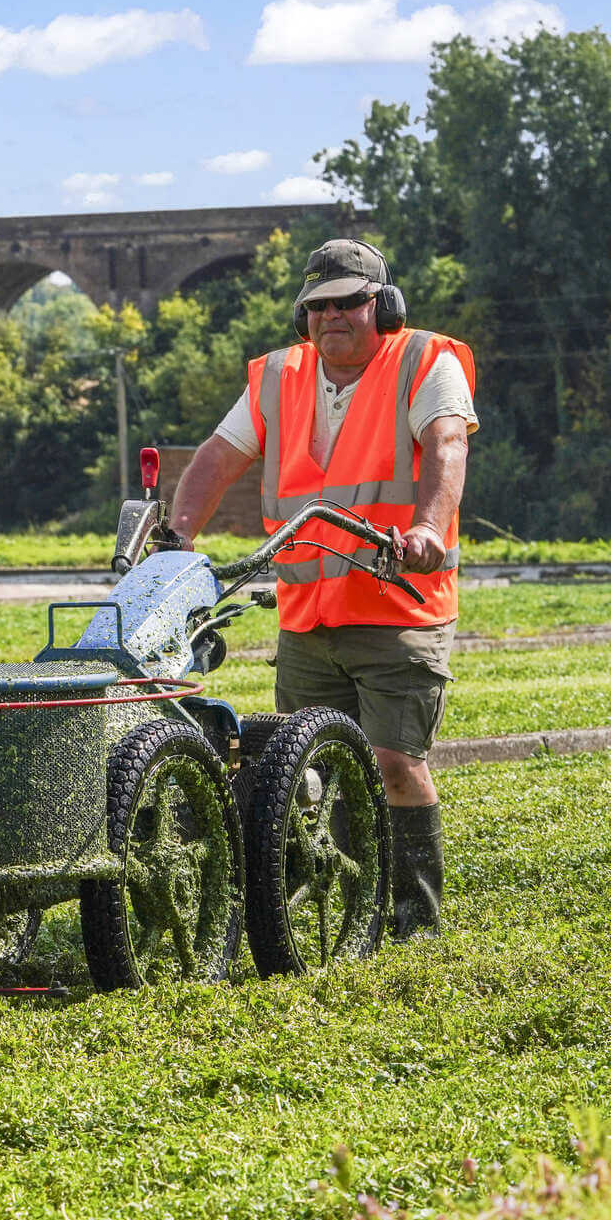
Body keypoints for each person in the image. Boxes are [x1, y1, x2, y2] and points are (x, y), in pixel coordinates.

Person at [167, 238, 475, 940]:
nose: (333, 314)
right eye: (319, 305)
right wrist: (176, 538)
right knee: (304, 769)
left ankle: (413, 920)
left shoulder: (426, 361)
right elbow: (217, 458)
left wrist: (427, 529)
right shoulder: (279, 377)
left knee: (394, 760)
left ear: (383, 307)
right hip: (308, 615)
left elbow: (447, 444)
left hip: (400, 606)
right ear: (302, 315)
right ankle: (333, 915)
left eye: (350, 301)